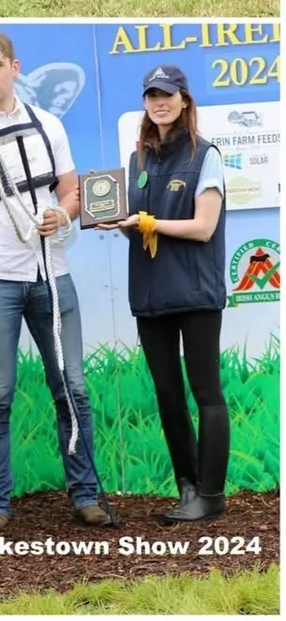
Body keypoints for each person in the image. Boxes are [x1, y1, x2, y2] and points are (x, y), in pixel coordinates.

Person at [0, 29, 110, 534]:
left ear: (14, 68)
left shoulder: (48, 123)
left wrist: (63, 213)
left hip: (51, 272)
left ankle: (86, 496)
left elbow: (70, 189)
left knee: (73, 389)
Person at [98, 65, 228, 523]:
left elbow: (204, 226)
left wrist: (150, 223)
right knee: (168, 395)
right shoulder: (136, 161)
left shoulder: (205, 155)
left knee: (206, 392)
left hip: (195, 292)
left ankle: (211, 495)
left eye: (168, 94)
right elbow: (137, 225)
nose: (160, 102)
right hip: (150, 295)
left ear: (184, 100)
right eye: (152, 95)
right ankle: (188, 488)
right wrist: (120, 223)